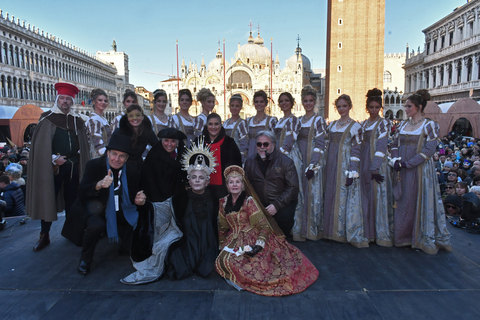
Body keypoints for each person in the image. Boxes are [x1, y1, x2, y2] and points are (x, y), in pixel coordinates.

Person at [215, 165, 318, 296]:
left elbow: (263, 226)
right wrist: (222, 244)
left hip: (251, 237)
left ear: (242, 184)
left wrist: (259, 244)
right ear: (227, 185)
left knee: (249, 265)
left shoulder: (248, 201)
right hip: (233, 239)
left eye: (238, 182)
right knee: (221, 260)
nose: (234, 185)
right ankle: (237, 278)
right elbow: (223, 226)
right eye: (231, 182)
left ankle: (243, 281)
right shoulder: (223, 202)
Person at [26, 82, 90, 252]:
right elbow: (40, 147)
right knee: (48, 198)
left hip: (74, 167)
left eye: (68, 99)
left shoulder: (78, 121)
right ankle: (44, 235)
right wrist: (54, 158)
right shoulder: (47, 119)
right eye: (62, 98)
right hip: (53, 168)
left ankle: (71, 233)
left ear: (72, 101)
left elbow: (84, 144)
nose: (65, 102)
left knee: (73, 202)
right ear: (57, 99)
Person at [120, 128, 186, 285]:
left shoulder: (180, 155)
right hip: (156, 202)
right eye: (166, 141)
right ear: (161, 141)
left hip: (173, 202)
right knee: (157, 233)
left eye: (173, 141)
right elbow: (147, 179)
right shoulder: (154, 156)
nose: (169, 144)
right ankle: (153, 262)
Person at [76, 132, 146, 275]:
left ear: (126, 158)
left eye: (122, 156)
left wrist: (141, 197)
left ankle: (124, 244)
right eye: (114, 154)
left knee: (139, 224)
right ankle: (85, 259)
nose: (117, 159)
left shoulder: (132, 170)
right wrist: (98, 185)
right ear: (108, 153)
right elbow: (82, 192)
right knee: (95, 226)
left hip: (123, 209)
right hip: (99, 210)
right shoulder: (94, 165)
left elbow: (140, 189)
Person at [391, 89, 451, 254]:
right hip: (402, 169)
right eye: (405, 106)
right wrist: (396, 160)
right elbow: (395, 144)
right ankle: (402, 237)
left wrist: (408, 163)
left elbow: (429, 149)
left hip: (420, 171)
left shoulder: (429, 125)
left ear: (418, 107)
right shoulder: (403, 125)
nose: (406, 109)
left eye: (409, 106)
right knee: (403, 201)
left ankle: (418, 237)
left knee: (418, 201)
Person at [166, 142, 219, 279]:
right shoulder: (180, 199)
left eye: (201, 178)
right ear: (189, 181)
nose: (197, 181)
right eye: (194, 177)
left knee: (207, 267)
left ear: (207, 182)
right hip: (189, 239)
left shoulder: (214, 199)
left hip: (208, 240)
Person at [323, 94, 368, 248]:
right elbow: (325, 145)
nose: (342, 109)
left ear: (350, 106)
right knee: (330, 194)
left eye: (344, 106)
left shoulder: (356, 127)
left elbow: (356, 150)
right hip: (331, 164)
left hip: (345, 165)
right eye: (339, 106)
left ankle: (341, 232)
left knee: (343, 196)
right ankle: (329, 231)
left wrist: (353, 170)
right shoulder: (332, 125)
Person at [244, 130, 299, 236]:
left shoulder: (286, 162)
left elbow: (293, 188)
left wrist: (276, 205)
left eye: (266, 144)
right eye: (259, 144)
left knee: (281, 227)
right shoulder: (250, 161)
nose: (262, 147)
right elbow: (247, 184)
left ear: (273, 144)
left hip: (281, 204)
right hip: (259, 204)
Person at [359, 88, 393, 246]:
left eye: (376, 107)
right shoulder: (364, 124)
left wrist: (375, 167)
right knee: (365, 195)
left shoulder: (384, 123)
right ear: (367, 108)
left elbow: (381, 146)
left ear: (381, 108)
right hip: (363, 162)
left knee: (377, 195)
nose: (373, 110)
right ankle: (367, 231)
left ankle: (378, 231)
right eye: (371, 107)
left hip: (376, 164)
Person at [292, 86, 326, 241]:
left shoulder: (318, 120)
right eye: (305, 101)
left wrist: (313, 165)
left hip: (313, 161)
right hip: (300, 160)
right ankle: (300, 228)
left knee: (313, 194)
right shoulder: (299, 120)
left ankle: (312, 229)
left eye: (311, 101)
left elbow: (320, 143)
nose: (308, 104)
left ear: (315, 101)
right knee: (300, 194)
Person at [274, 92, 305, 241]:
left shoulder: (294, 120)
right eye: (281, 101)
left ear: (292, 103)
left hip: (290, 157)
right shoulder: (279, 121)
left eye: (287, 100)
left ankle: (295, 228)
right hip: (279, 157)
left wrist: (280, 157)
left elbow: (290, 140)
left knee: (291, 190)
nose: (284, 103)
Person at [195, 113, 242, 199]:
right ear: (206, 125)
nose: (213, 127)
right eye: (210, 124)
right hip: (203, 188)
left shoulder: (229, 142)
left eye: (216, 124)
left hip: (223, 188)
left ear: (221, 125)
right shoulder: (198, 142)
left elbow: (237, 164)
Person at [246, 90, 277, 159]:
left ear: (266, 103)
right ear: (254, 104)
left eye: (261, 102)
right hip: (251, 154)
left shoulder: (271, 121)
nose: (259, 104)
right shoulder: (248, 121)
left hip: (265, 155)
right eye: (256, 102)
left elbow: (274, 141)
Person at [86, 88, 112, 158]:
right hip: (99, 158)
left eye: (105, 101)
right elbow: (98, 144)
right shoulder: (94, 120)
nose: (103, 102)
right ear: (94, 102)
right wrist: (110, 157)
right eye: (100, 100)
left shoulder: (102, 119)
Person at [223, 94, 248, 162]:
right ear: (229, 107)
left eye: (237, 106)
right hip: (225, 155)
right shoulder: (225, 123)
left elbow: (244, 144)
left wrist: (241, 160)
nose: (234, 108)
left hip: (236, 157)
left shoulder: (242, 123)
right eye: (232, 105)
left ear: (241, 107)